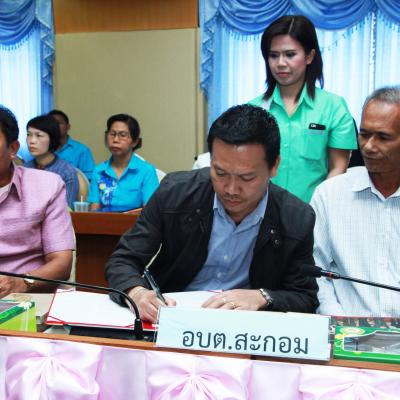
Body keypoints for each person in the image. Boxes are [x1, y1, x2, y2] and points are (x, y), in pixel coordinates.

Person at [106, 104, 318, 323]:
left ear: (274, 166)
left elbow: (305, 297)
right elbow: (123, 260)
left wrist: (263, 297)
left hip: (246, 326)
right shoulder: (175, 192)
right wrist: (136, 293)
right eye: (220, 173)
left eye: (246, 178)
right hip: (174, 318)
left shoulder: (296, 218)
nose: (231, 189)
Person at [193, 16, 357, 203]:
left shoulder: (334, 107)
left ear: (309, 56)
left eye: (290, 54)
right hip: (261, 211)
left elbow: (338, 169)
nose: (280, 63)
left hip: (313, 211)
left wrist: (317, 209)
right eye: (273, 55)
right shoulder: (253, 110)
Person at [311, 86, 400, 317]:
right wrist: (339, 321)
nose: (369, 146)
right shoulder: (330, 194)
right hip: (344, 330)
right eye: (364, 134)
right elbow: (315, 272)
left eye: (383, 137)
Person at [0, 106, 75, 297]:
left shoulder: (46, 186)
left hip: (28, 296)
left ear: (13, 149)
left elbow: (62, 263)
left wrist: (20, 283)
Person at [88, 113, 159, 212]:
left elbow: (150, 212)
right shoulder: (99, 171)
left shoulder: (146, 171)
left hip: (135, 221)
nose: (115, 140)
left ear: (135, 142)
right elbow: (93, 211)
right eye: (112, 134)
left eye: (122, 135)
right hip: (104, 221)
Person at [24, 115, 79, 208]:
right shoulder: (24, 169)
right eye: (28, 135)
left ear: (52, 139)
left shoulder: (66, 171)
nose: (32, 141)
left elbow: (66, 209)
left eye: (39, 135)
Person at [48, 109, 96, 181]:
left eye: (58, 123)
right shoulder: (43, 150)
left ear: (68, 126)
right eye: (52, 123)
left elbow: (89, 179)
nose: (55, 126)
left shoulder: (81, 150)